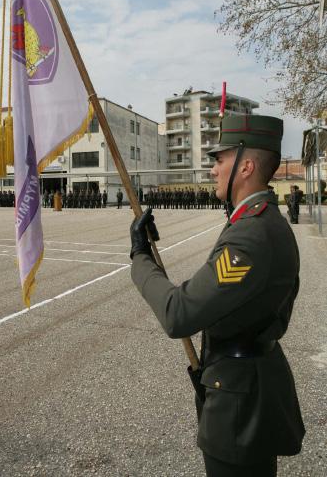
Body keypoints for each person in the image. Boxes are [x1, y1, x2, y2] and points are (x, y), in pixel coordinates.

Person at [129, 114, 304, 477]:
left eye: (219, 160)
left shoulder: (251, 236)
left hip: (239, 407)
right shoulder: (259, 221)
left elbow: (179, 314)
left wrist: (140, 258)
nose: (212, 170)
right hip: (248, 387)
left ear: (246, 166)